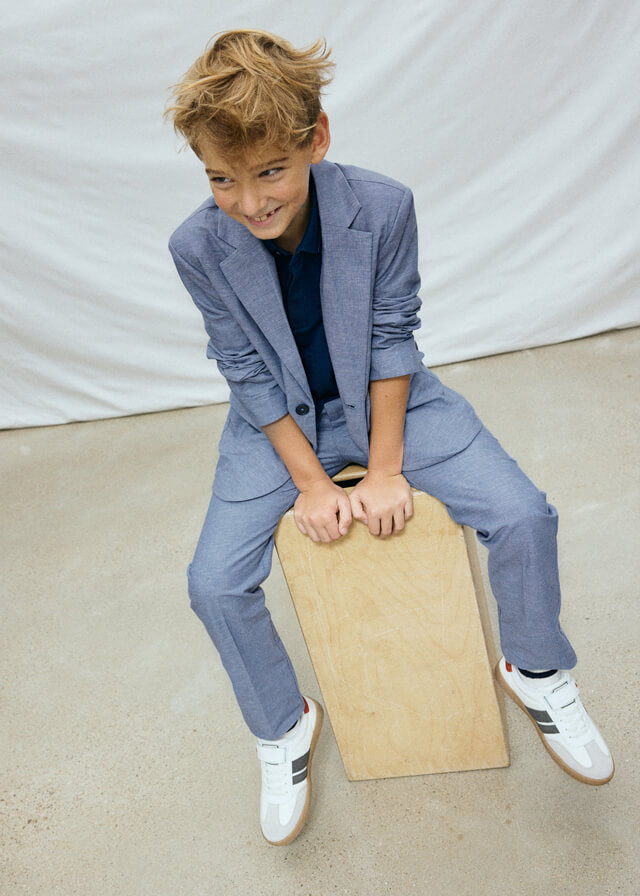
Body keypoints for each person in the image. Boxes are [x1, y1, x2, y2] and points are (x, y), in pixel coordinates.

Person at [165, 29, 613, 846]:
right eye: (222, 179)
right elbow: (245, 371)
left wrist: (382, 468)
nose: (250, 202)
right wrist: (311, 482)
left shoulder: (383, 205)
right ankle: (284, 726)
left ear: (317, 139)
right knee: (213, 583)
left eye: (270, 172)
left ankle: (537, 668)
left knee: (522, 514)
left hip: (389, 400)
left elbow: (390, 334)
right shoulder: (196, 246)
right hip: (274, 426)